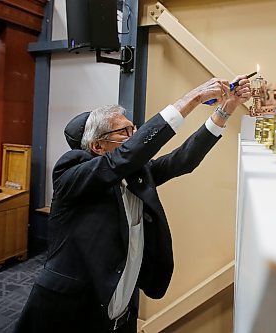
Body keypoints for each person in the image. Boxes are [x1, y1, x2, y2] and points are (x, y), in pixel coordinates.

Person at [14, 76, 251, 333]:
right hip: (69, 313)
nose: (135, 135)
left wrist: (225, 109)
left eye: (134, 128)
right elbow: (126, 156)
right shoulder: (71, 172)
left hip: (120, 313)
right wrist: (191, 99)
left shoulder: (136, 174)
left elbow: (182, 160)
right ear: (97, 146)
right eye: (126, 132)